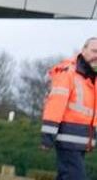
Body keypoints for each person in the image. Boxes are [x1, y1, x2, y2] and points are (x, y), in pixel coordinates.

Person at [41, 37, 97, 180]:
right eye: (94, 51)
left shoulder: (92, 79)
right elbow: (55, 106)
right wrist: (48, 137)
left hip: (81, 141)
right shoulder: (68, 73)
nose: (96, 56)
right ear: (83, 50)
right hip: (67, 139)